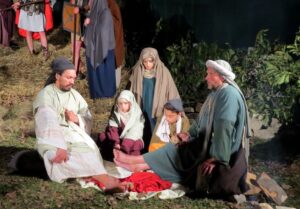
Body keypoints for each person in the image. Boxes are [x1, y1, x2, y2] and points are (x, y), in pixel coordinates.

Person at [114, 59, 251, 197]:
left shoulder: (228, 95)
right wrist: (188, 134)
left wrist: (217, 158)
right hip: (208, 144)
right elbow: (201, 121)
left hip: (222, 151)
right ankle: (137, 162)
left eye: (210, 74)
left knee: (176, 151)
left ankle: (137, 164)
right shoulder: (216, 94)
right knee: (177, 145)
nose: (206, 77)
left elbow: (224, 128)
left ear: (220, 76)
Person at [33, 56, 127, 193]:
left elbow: (87, 116)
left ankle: (94, 175)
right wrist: (60, 146)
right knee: (56, 159)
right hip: (51, 139)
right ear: (57, 76)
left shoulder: (75, 95)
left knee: (89, 153)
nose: (72, 82)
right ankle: (106, 180)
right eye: (68, 77)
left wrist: (76, 119)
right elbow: (46, 121)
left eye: (74, 78)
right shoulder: (46, 95)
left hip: (73, 135)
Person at [129, 47, 180, 148]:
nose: (148, 64)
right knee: (142, 126)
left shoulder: (163, 72)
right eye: (145, 61)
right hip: (142, 103)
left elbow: (171, 90)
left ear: (155, 60)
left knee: (155, 127)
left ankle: (155, 150)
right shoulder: (137, 71)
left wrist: (177, 108)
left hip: (157, 105)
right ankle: (142, 147)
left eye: (150, 61)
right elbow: (132, 89)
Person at [98, 90, 144, 160]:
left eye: (125, 103)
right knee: (103, 137)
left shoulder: (137, 114)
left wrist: (125, 144)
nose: (123, 106)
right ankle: (114, 157)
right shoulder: (116, 113)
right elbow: (113, 129)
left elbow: (136, 130)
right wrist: (116, 143)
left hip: (131, 139)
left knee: (136, 145)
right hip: (119, 139)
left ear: (130, 103)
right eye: (120, 103)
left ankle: (131, 160)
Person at [84, 0, 116, 99]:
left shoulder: (106, 14)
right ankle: (97, 94)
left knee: (104, 74)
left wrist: (89, 25)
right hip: (94, 48)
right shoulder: (94, 12)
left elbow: (103, 32)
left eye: (91, 2)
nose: (89, 4)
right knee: (96, 75)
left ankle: (106, 94)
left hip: (104, 50)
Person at [107, 0, 124, 88]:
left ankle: (114, 86)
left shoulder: (112, 5)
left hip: (113, 42)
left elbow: (116, 23)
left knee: (115, 64)